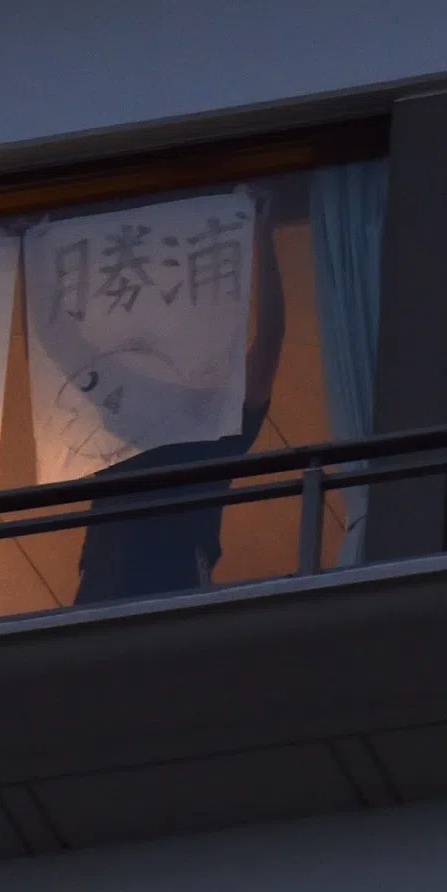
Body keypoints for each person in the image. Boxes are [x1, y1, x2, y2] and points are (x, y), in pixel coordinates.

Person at [74, 188, 285, 605]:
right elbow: (59, 359)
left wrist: (262, 230)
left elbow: (268, 343)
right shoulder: (122, 423)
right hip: (106, 594)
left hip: (164, 588)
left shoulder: (213, 428)